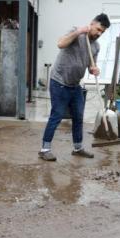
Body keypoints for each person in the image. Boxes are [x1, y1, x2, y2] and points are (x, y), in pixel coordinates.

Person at [39, 13, 110, 161]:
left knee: (78, 117)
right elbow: (60, 44)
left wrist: (94, 70)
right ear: (91, 23)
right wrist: (78, 32)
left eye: (102, 32)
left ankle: (78, 148)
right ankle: (45, 149)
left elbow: (91, 66)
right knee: (56, 115)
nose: (99, 34)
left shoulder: (96, 46)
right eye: (98, 29)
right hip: (59, 82)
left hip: (75, 85)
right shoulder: (76, 33)